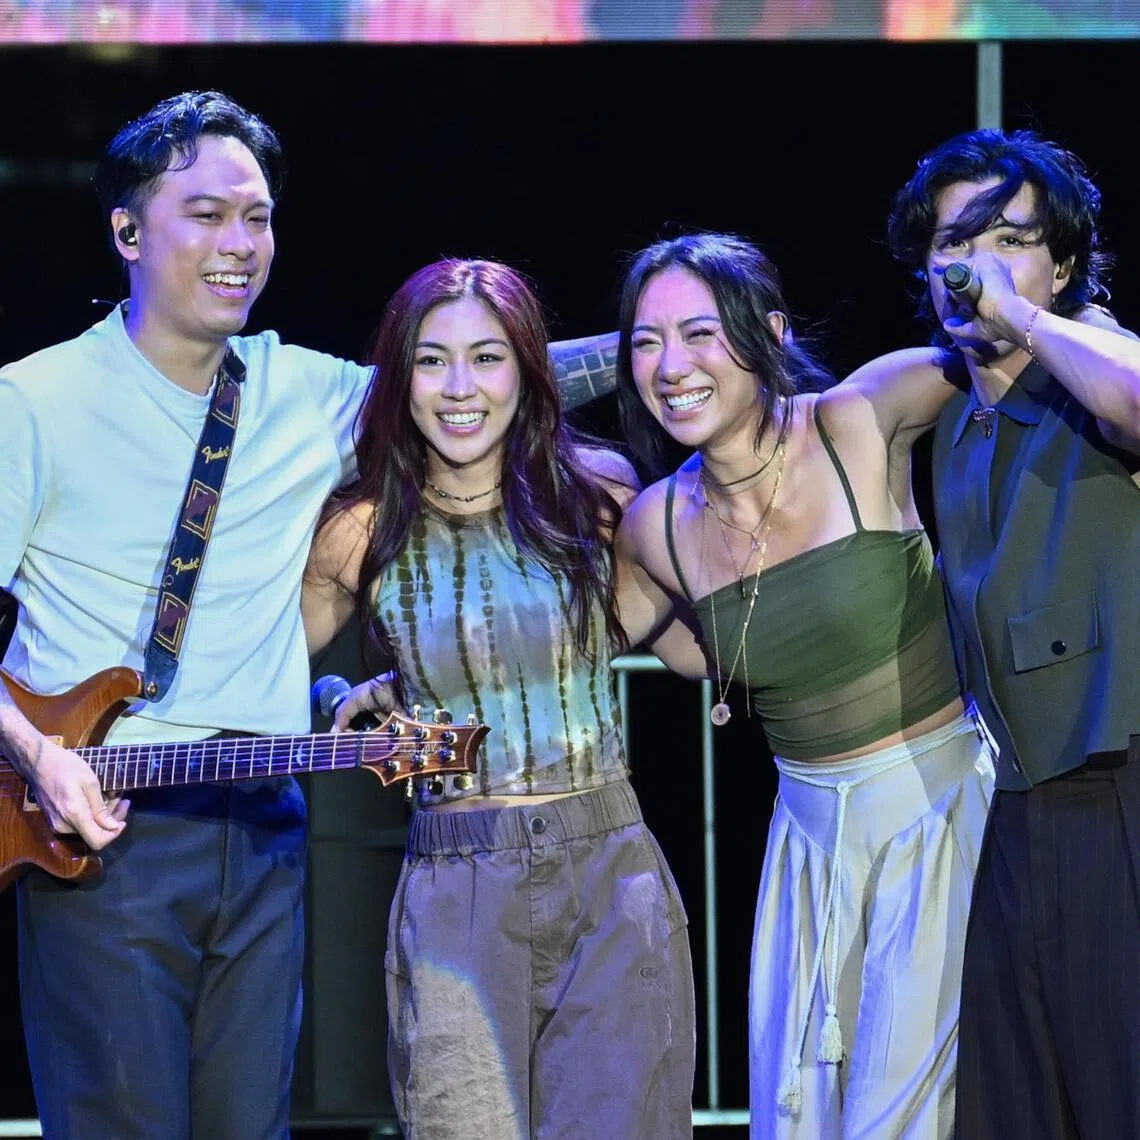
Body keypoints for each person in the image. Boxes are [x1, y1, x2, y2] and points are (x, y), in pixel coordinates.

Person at [302, 257, 699, 1140]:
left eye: (487, 357)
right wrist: (343, 687)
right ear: (398, 378)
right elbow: (257, 670)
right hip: (455, 884)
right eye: (431, 360)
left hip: (609, 870)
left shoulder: (598, 496)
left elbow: (692, 649)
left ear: (528, 369)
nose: (459, 387)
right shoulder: (359, 529)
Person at [613, 232, 997, 1138]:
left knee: (899, 1117)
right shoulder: (656, 524)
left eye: (702, 333)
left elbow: (1009, 346)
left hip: (935, 816)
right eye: (644, 341)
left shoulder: (857, 417)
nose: (673, 366)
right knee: (802, 1115)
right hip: (807, 844)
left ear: (771, 334)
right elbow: (549, 654)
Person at [888, 128, 1140, 1140]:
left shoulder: (1093, 368)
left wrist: (1026, 317)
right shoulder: (949, 415)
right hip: (1005, 813)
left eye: (1010, 239)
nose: (976, 265)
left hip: (1116, 786)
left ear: (1062, 263)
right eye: (956, 242)